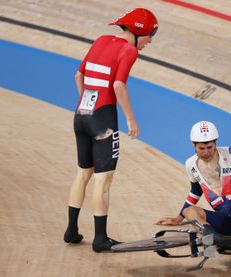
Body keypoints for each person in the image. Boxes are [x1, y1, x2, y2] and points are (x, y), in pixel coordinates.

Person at [63, 8, 158, 252]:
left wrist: (86, 106)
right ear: (139, 32)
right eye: (150, 36)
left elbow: (78, 75)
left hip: (81, 114)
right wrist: (131, 120)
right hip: (103, 117)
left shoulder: (101, 40)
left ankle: (71, 231)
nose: (150, 42)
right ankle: (100, 239)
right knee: (103, 180)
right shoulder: (129, 50)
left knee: (83, 173)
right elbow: (118, 85)